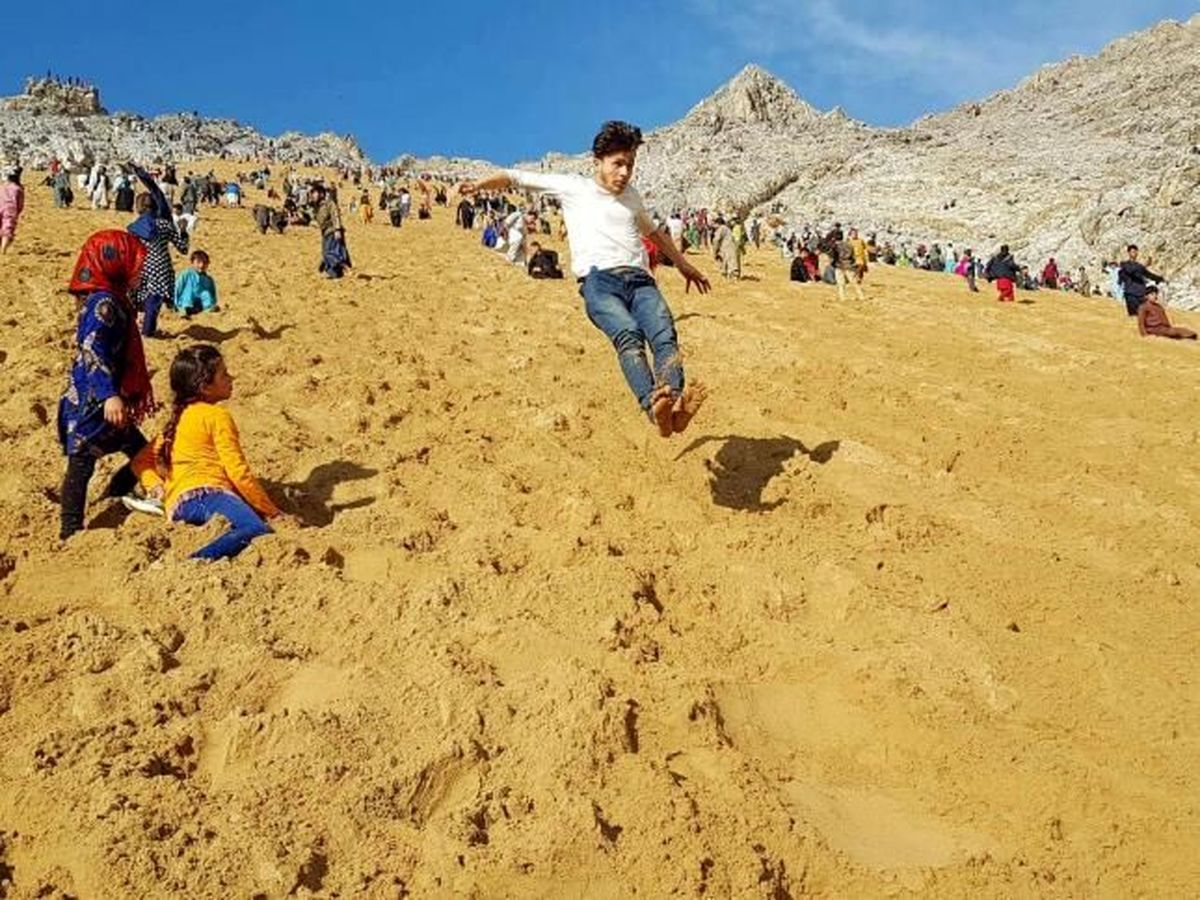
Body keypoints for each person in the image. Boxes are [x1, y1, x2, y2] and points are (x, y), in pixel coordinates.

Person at [458, 120, 710, 437]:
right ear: (598, 162)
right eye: (618, 164)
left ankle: (672, 405)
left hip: (641, 281)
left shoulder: (632, 197)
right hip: (599, 284)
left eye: (629, 165)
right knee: (629, 336)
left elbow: (654, 233)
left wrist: (684, 265)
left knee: (664, 335)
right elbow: (515, 177)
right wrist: (478, 186)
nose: (624, 173)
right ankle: (652, 404)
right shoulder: (573, 187)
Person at [132, 344, 284, 560]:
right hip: (207, 494)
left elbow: (140, 462)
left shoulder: (177, 420)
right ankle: (195, 562)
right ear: (205, 386)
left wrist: (156, 486)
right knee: (256, 529)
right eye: (224, 374)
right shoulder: (216, 416)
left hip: (177, 506)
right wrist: (273, 512)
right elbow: (238, 472)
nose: (232, 378)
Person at [57, 230, 159, 539]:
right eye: (136, 264)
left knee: (140, 450)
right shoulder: (105, 304)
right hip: (93, 402)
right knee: (81, 464)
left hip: (109, 399)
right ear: (114, 263)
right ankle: (69, 530)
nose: (140, 271)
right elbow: (92, 349)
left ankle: (115, 493)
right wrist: (110, 395)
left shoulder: (114, 299)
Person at [128, 166, 189, 337]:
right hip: (161, 266)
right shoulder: (164, 225)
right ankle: (148, 332)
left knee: (140, 298)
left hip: (140, 266)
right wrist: (183, 231)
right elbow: (183, 248)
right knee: (154, 302)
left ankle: (134, 328)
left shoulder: (133, 228)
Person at [311, 184, 351, 278]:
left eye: (315, 193)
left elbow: (335, 215)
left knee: (331, 253)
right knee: (326, 252)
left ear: (321, 194)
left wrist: (337, 229)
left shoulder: (329, 203)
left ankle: (344, 266)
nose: (313, 195)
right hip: (325, 233)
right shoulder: (317, 207)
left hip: (332, 231)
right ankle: (337, 274)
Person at [1118, 244, 1165, 317]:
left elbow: (1148, 274)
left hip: (1141, 294)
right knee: (1134, 316)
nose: (1134, 253)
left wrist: (1160, 279)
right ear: (1129, 253)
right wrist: (1144, 266)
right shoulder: (1124, 264)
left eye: (1135, 251)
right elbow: (1130, 270)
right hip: (1131, 294)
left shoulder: (1139, 266)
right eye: (1132, 251)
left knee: (1144, 315)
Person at [174, 250, 219, 316]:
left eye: (204, 262)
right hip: (186, 301)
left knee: (206, 294)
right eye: (198, 262)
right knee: (188, 292)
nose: (201, 265)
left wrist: (213, 303)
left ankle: (208, 308)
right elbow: (178, 288)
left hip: (200, 304)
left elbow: (212, 293)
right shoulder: (186, 274)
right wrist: (175, 304)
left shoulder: (208, 279)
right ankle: (185, 310)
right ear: (192, 263)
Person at [0, 165, 25, 254]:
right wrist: (18, 211)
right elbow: (20, 203)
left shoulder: (2, 186)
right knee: (7, 228)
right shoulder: (18, 188)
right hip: (10, 209)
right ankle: (3, 250)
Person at [834, 232, 865, 300]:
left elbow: (833, 256)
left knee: (841, 283)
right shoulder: (849, 244)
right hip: (849, 265)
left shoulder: (835, 246)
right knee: (854, 282)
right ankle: (861, 296)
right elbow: (853, 255)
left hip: (839, 265)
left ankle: (843, 297)